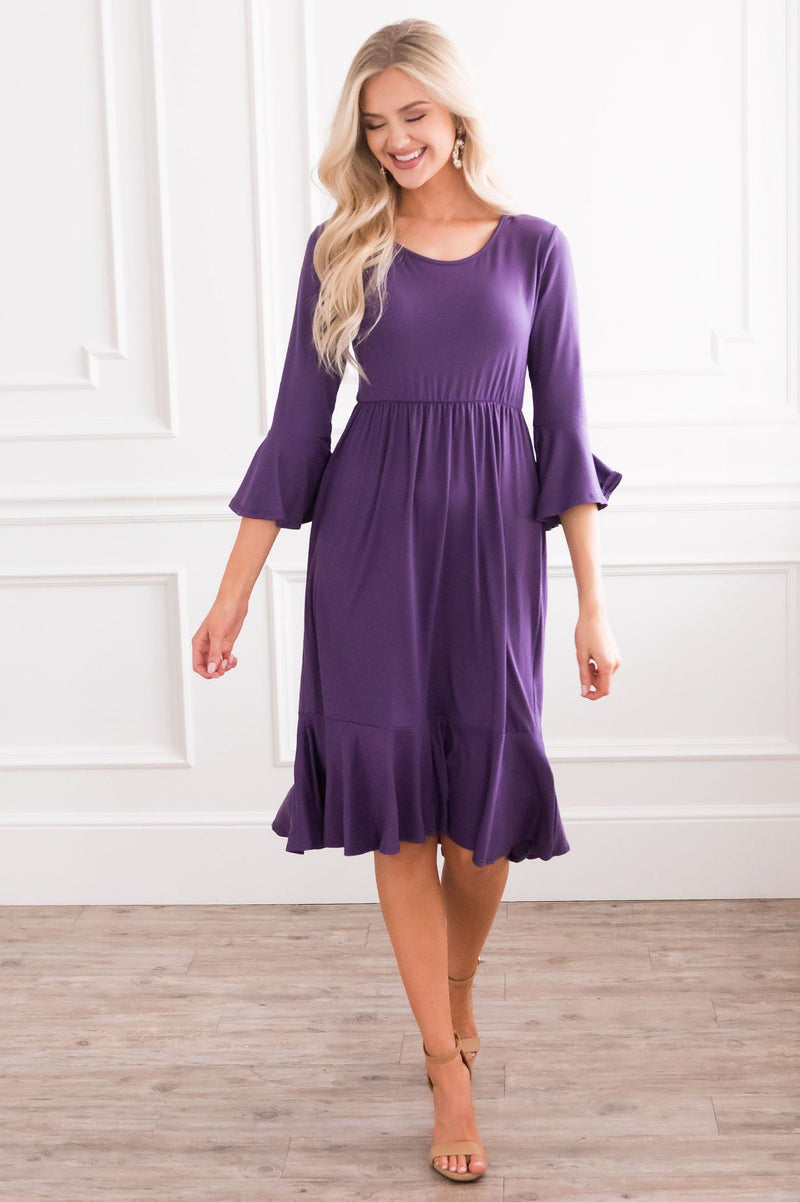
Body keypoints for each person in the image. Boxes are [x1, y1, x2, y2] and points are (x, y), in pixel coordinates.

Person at [192, 17, 622, 1184]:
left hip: (490, 552)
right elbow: (295, 433)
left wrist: (590, 602)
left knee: (481, 822)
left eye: (411, 116)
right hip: (369, 553)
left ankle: (456, 982)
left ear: (455, 112)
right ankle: (444, 1062)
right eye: (375, 124)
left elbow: (565, 436)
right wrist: (231, 596)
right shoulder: (343, 247)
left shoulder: (533, 248)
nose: (394, 140)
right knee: (399, 817)